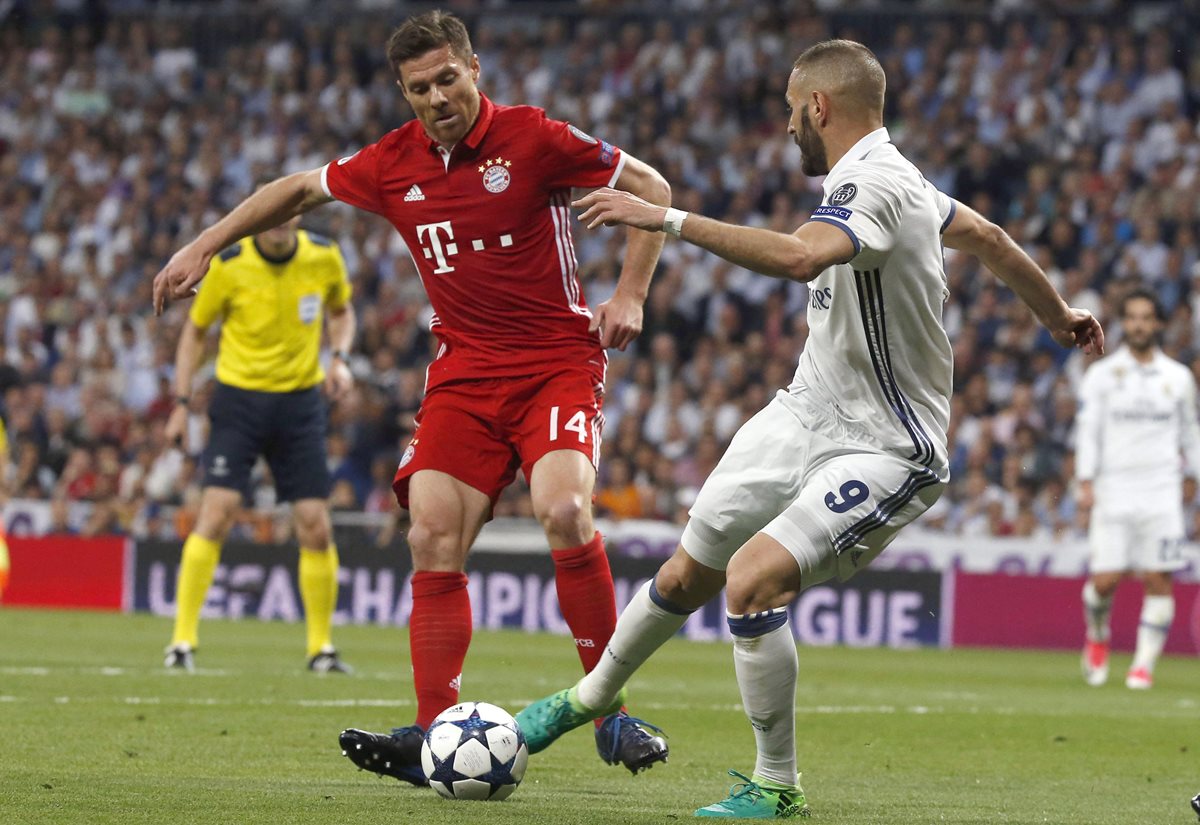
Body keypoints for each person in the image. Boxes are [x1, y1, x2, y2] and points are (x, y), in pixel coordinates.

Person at [515, 39, 1104, 819]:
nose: (788, 125)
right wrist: (1058, 314)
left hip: (887, 442)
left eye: (792, 110)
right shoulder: (906, 183)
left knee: (752, 577)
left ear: (818, 107)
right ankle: (588, 697)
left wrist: (668, 218)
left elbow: (800, 257)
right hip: (803, 412)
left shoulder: (877, 183)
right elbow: (989, 240)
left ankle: (777, 782)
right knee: (691, 569)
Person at [152, 10, 672, 783]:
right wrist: (202, 244)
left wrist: (630, 291)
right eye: (418, 88)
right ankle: (434, 737)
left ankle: (611, 712)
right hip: (463, 371)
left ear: (474, 69)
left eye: (446, 79)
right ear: (404, 92)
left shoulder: (534, 138)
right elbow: (293, 189)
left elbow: (652, 187)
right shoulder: (392, 163)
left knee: (565, 510)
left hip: (554, 362)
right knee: (430, 534)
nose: (435, 98)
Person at [160, 190, 357, 676]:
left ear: (297, 216)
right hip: (239, 400)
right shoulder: (229, 264)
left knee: (315, 523)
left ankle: (321, 649)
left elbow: (342, 311)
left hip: (300, 402)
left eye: (286, 214)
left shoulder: (324, 256)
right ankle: (182, 641)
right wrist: (182, 405)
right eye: (269, 216)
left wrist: (340, 358)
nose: (277, 223)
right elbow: (194, 332)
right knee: (217, 513)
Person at [1075, 287, 1196, 690]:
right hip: (1114, 487)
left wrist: (1194, 475)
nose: (1139, 324)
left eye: (1146, 317)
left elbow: (1190, 432)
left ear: (1158, 323)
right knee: (1105, 581)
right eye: (1132, 317)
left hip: (1162, 490)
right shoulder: (1102, 375)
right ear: (1123, 323)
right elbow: (1088, 431)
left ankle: (1142, 666)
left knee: (1159, 578)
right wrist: (1086, 481)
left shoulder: (1178, 378)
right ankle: (1097, 634)